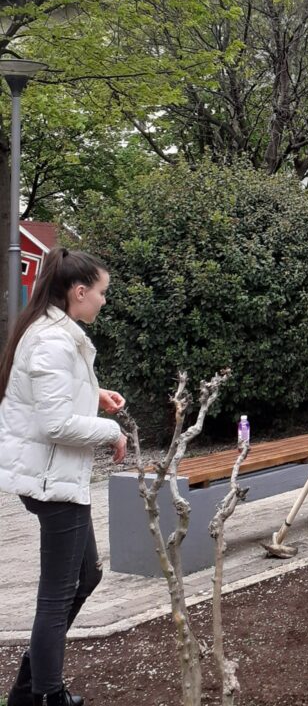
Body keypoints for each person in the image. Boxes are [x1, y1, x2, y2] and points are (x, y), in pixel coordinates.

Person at [0, 250, 127, 706]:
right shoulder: (53, 340)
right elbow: (55, 423)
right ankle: (47, 696)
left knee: (86, 576)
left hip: (56, 477)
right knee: (58, 596)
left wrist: (94, 393)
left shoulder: (52, 332)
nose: (104, 301)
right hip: (52, 482)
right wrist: (110, 431)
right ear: (79, 292)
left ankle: (26, 691)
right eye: (101, 292)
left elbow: (50, 395)